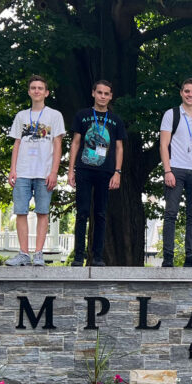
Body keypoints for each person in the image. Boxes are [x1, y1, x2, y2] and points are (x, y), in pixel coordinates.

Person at [5, 75, 65, 267]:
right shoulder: (21, 116)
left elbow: (58, 145)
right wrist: (12, 169)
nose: (37, 91)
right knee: (20, 212)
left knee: (42, 212)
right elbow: (17, 143)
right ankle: (23, 253)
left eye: (40, 88)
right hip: (23, 171)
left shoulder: (54, 116)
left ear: (46, 93)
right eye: (33, 88)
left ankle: (38, 254)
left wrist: (54, 172)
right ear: (29, 91)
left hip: (44, 172)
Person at [67, 80, 126, 267]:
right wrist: (71, 169)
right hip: (84, 169)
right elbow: (76, 142)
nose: (102, 96)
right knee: (82, 213)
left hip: (106, 171)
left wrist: (117, 172)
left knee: (101, 214)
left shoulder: (115, 120)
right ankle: (78, 256)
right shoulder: (82, 116)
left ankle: (98, 257)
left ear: (110, 96)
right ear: (93, 93)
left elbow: (119, 147)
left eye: (106, 93)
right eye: (99, 92)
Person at [159, 78, 192, 268]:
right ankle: (168, 257)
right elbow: (164, 144)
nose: (190, 95)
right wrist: (167, 170)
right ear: (181, 93)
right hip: (176, 168)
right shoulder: (171, 114)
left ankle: (190, 256)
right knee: (171, 213)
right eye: (187, 91)